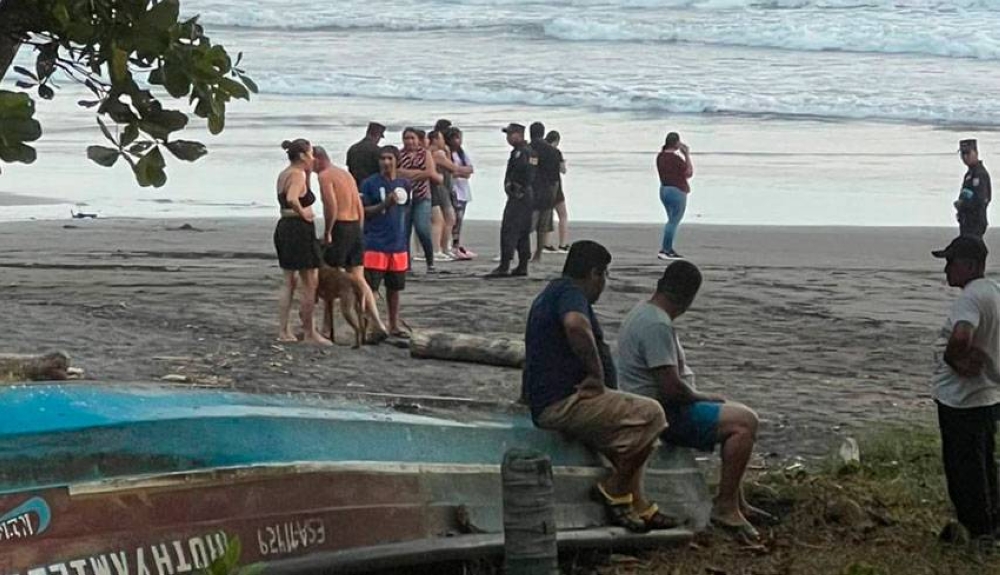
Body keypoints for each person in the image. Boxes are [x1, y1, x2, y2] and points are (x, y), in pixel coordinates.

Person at [523, 240, 674, 532]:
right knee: (652, 414)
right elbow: (575, 326)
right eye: (604, 275)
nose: (604, 284)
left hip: (556, 400)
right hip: (566, 402)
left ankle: (637, 502)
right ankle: (614, 490)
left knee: (639, 437)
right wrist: (595, 375)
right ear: (594, 273)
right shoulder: (570, 293)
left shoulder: (550, 295)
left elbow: (536, 352)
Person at [617, 260, 765, 539]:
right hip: (663, 414)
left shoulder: (641, 312)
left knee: (733, 412)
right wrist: (704, 396)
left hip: (654, 405)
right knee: (745, 422)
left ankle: (737, 500)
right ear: (688, 298)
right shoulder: (656, 325)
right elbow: (671, 388)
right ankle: (725, 506)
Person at [930, 235, 1000, 547]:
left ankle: (977, 534)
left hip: (962, 401)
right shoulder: (993, 292)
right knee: (984, 464)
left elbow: (961, 336)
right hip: (985, 396)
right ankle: (991, 526)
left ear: (970, 265)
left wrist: (954, 359)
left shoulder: (970, 298)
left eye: (951, 262)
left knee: (964, 471)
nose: (947, 269)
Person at [313, 146, 389, 342]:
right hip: (355, 225)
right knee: (358, 279)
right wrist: (360, 228)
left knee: (332, 276)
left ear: (318, 160)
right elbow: (357, 203)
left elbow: (331, 205)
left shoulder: (325, 176)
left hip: (341, 226)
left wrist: (329, 231)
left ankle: (326, 326)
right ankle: (377, 322)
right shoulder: (345, 174)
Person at [273, 139, 332, 346]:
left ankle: (284, 329)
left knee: (289, 281)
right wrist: (304, 213)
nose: (313, 158)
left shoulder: (286, 173)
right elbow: (291, 198)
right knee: (309, 282)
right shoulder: (296, 175)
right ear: (302, 156)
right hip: (298, 228)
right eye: (310, 154)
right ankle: (310, 331)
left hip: (284, 227)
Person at [360, 146, 411, 338]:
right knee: (371, 288)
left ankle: (393, 324)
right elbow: (364, 211)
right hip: (375, 243)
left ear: (397, 160)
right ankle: (368, 326)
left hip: (397, 244)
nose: (386, 162)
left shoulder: (404, 183)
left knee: (395, 288)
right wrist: (384, 205)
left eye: (389, 158)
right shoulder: (369, 184)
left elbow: (406, 209)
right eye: (382, 158)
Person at [486, 123, 536, 278]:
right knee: (522, 231)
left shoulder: (522, 153)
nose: (508, 138)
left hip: (520, 195)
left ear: (519, 135)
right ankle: (522, 265)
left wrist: (515, 187)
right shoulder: (529, 152)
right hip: (526, 195)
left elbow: (526, 173)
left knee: (510, 229)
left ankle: (505, 265)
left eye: (510, 134)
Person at [397, 127, 440, 272]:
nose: (409, 141)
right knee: (404, 232)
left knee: (422, 229)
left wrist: (410, 174)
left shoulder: (425, 153)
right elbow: (396, 173)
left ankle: (430, 262)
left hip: (422, 196)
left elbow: (429, 172)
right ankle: (406, 265)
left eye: (412, 138)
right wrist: (417, 173)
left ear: (418, 139)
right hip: (404, 198)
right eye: (406, 138)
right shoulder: (399, 154)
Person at [429, 129, 471, 262]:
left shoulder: (438, 153)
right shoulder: (439, 153)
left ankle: (443, 248)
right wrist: (465, 170)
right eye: (441, 138)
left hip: (444, 187)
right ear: (435, 140)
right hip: (440, 188)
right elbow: (454, 168)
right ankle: (440, 248)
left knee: (446, 218)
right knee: (448, 218)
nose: (443, 142)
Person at [528, 122, 562, 263]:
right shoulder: (554, 152)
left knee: (526, 225)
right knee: (543, 227)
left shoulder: (528, 149)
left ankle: (522, 252)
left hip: (532, 191)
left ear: (531, 133)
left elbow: (526, 172)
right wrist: (554, 196)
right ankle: (538, 254)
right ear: (543, 133)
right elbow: (556, 178)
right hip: (548, 191)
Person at [657, 132, 693, 261]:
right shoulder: (675, 159)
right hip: (677, 190)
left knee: (671, 220)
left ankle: (668, 248)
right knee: (673, 221)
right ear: (676, 143)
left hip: (664, 189)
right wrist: (687, 155)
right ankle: (665, 249)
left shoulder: (660, 157)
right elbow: (689, 173)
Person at [447, 127, 476, 260]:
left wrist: (459, 171)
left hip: (462, 190)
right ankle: (451, 245)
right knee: (453, 219)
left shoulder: (461, 154)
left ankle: (456, 244)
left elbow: (470, 170)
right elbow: (450, 172)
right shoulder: (447, 154)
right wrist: (460, 171)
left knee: (459, 219)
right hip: (453, 190)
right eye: (455, 138)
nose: (458, 141)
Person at [955, 139, 992, 239]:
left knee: (970, 251)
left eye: (967, 153)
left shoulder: (980, 174)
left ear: (976, 152)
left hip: (975, 221)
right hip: (967, 220)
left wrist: (963, 204)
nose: (965, 157)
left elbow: (982, 200)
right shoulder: (969, 174)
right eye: (962, 154)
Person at [545, 130, 570, 253]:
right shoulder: (556, 152)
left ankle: (546, 244)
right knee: (563, 216)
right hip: (556, 187)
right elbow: (563, 170)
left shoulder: (540, 151)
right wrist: (564, 163)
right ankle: (563, 244)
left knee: (547, 216)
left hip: (543, 187)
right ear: (556, 141)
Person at [346, 122, 386, 187]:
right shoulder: (378, 151)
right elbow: (382, 171)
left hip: (355, 186)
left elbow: (349, 169)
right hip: (372, 187)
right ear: (377, 135)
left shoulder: (352, 148)